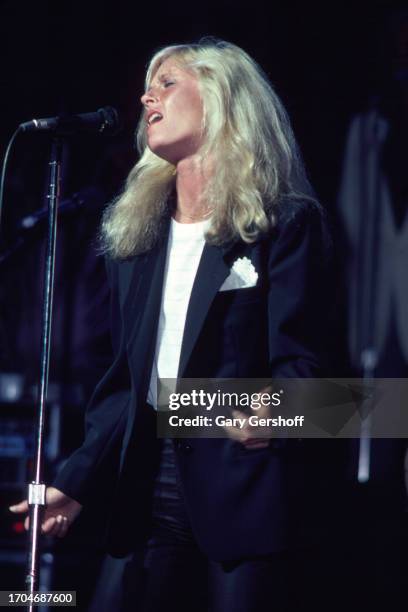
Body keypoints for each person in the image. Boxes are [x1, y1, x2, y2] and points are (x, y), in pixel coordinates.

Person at [10, 39, 343, 611]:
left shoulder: (285, 222)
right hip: (144, 481)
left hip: (244, 485)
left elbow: (315, 371)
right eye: (147, 85)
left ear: (221, 99)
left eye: (167, 82)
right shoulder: (135, 236)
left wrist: (281, 413)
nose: (146, 96)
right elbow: (125, 383)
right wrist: (76, 479)